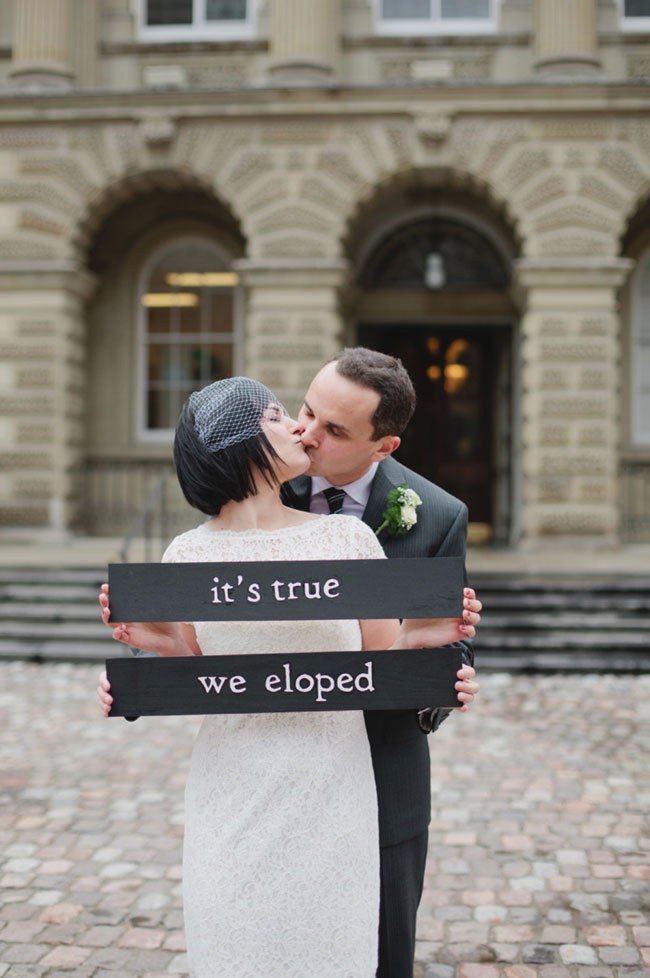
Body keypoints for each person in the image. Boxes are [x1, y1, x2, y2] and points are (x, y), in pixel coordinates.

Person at [97, 375, 480, 978]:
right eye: (281, 416)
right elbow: (203, 677)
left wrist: (434, 642)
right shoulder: (185, 556)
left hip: (333, 784)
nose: (300, 427)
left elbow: (383, 655)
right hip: (233, 787)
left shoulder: (347, 538)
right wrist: (152, 656)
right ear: (244, 443)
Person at [284, 347, 479, 978]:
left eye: (334, 430)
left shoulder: (439, 516)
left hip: (381, 769)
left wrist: (441, 683)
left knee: (384, 953)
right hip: (277, 769)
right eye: (307, 411)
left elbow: (446, 637)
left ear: (383, 447)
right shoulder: (259, 487)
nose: (306, 434)